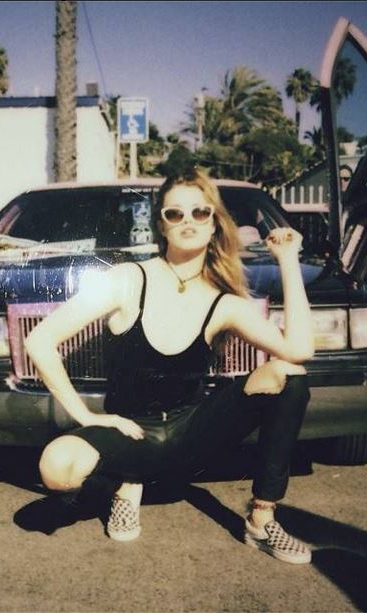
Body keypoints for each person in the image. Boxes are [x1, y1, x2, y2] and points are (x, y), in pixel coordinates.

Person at [25, 167, 315, 564]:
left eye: (200, 212)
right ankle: (125, 485)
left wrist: (288, 260)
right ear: (161, 225)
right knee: (57, 467)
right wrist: (86, 416)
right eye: (175, 213)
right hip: (130, 432)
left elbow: (298, 350)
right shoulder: (128, 280)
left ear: (214, 223)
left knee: (288, 375)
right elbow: (39, 340)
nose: (188, 221)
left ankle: (261, 520)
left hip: (191, 434)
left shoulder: (225, 303)